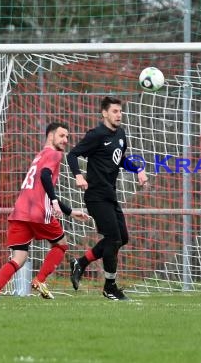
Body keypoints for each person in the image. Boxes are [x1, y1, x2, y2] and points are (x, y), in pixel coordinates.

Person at [0, 123, 90, 300]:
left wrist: (70, 211)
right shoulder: (54, 154)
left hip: (20, 212)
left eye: (67, 137)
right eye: (62, 136)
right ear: (50, 136)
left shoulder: (39, 156)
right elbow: (45, 177)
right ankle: (40, 280)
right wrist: (55, 202)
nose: (65, 140)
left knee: (19, 258)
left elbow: (42, 187)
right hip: (39, 213)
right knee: (61, 244)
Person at [66, 96, 148, 301]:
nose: (119, 115)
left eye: (120, 111)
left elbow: (119, 160)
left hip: (110, 195)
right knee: (113, 239)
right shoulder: (96, 135)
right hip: (95, 195)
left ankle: (81, 262)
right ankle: (110, 287)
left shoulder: (120, 134)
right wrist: (78, 175)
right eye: (114, 111)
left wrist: (137, 169)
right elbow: (72, 155)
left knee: (123, 238)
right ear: (104, 113)